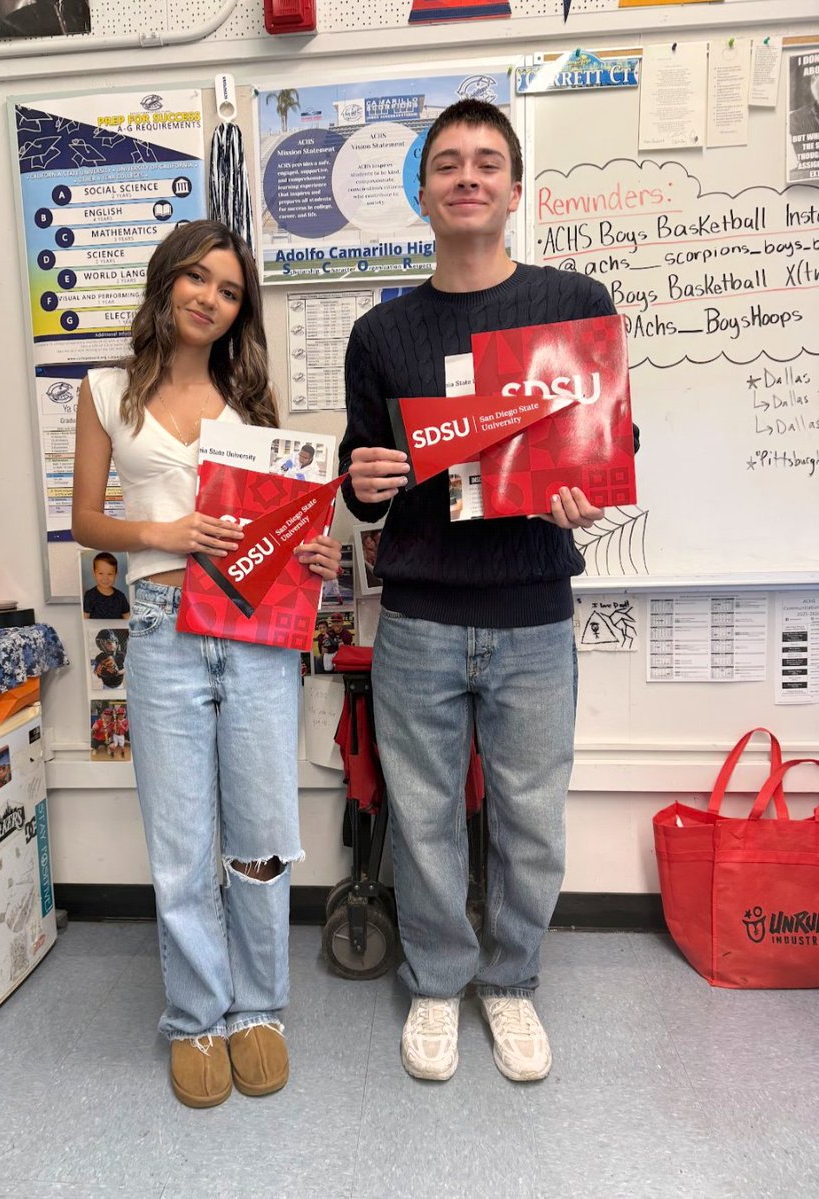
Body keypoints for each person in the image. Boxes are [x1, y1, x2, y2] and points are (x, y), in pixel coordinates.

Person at [340, 98, 637, 1085]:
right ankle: (435, 981)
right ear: (421, 192)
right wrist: (362, 483)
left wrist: (582, 487)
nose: (465, 177)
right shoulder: (381, 333)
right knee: (420, 820)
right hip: (418, 615)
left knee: (529, 820)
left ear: (514, 190)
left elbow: (612, 444)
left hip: (529, 615)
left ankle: (508, 982)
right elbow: (356, 472)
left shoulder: (572, 302)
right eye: (446, 164)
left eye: (485, 163)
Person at [72, 219, 341, 1109]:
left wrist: (314, 558)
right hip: (159, 625)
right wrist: (163, 532)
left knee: (261, 837)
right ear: (166, 281)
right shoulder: (106, 389)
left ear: (240, 310)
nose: (209, 299)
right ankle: (197, 1015)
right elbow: (87, 523)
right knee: (183, 842)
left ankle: (259, 1007)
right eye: (196, 279)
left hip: (255, 626)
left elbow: (282, 528)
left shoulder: (252, 403)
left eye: (228, 291)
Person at [82, 551, 130, 620]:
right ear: (94, 573)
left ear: (116, 574)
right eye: (101, 573)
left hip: (117, 630)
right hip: (96, 630)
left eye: (110, 574)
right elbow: (85, 618)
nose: (105, 578)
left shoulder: (120, 596)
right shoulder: (89, 595)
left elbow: (127, 617)